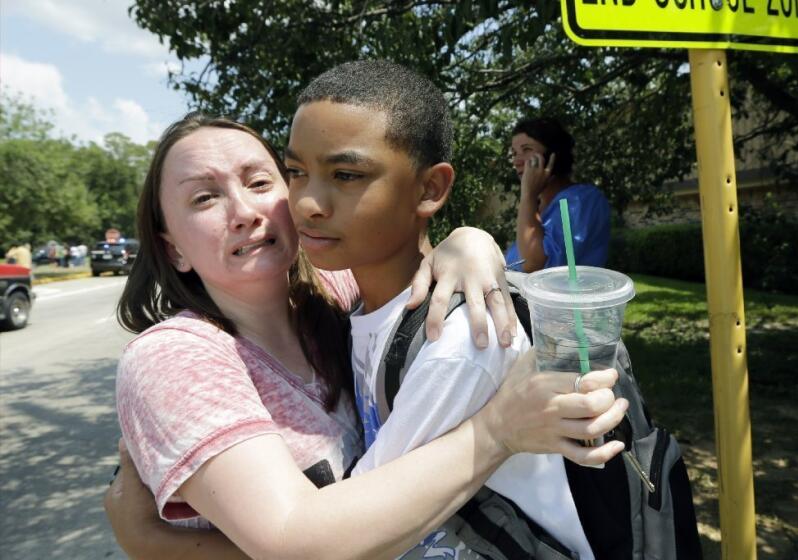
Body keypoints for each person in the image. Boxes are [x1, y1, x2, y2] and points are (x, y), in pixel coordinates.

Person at [107, 111, 626, 559]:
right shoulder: (175, 359)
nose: (244, 213)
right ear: (171, 247)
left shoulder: (333, 295)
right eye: (204, 198)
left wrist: (468, 242)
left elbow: (399, 245)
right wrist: (496, 432)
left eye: (261, 183)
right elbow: (293, 540)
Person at [505, 117, 611, 273]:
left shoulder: (581, 201)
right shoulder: (537, 210)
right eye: (514, 153)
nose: (516, 161)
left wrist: (527, 195)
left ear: (553, 155)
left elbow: (532, 265)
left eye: (526, 149)